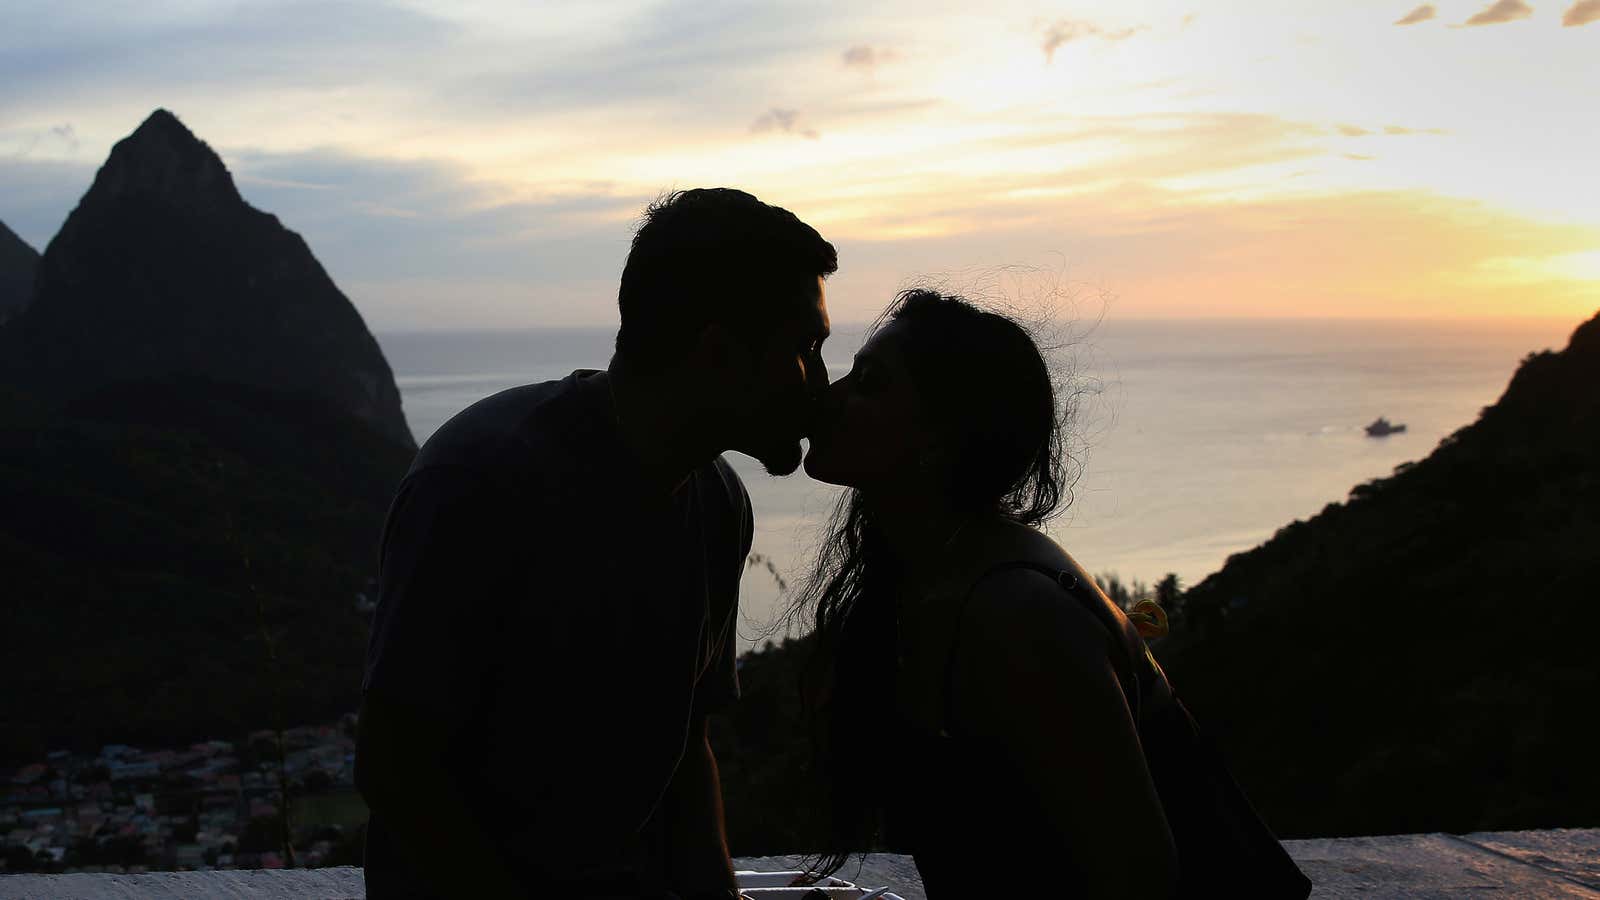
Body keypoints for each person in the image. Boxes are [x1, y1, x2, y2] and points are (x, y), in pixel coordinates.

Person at [355, 188, 836, 899]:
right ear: (720, 352)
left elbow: (682, 752)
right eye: (806, 348)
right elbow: (398, 770)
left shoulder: (717, 503)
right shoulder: (482, 484)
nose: (822, 382)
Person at [797, 289, 1307, 897]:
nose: (829, 397)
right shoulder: (930, 579)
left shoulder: (1015, 615)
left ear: (940, 436)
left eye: (870, 383)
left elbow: (1139, 877)